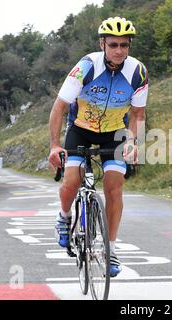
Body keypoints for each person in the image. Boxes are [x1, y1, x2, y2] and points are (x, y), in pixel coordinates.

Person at [47, 17, 148, 277]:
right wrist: (55, 145)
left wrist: (134, 143)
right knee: (71, 181)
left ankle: (110, 249)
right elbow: (59, 107)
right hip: (80, 129)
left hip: (113, 133)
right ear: (102, 43)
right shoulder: (86, 67)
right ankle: (64, 215)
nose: (119, 50)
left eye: (124, 45)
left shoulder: (137, 73)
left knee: (114, 187)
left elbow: (137, 114)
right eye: (113, 44)